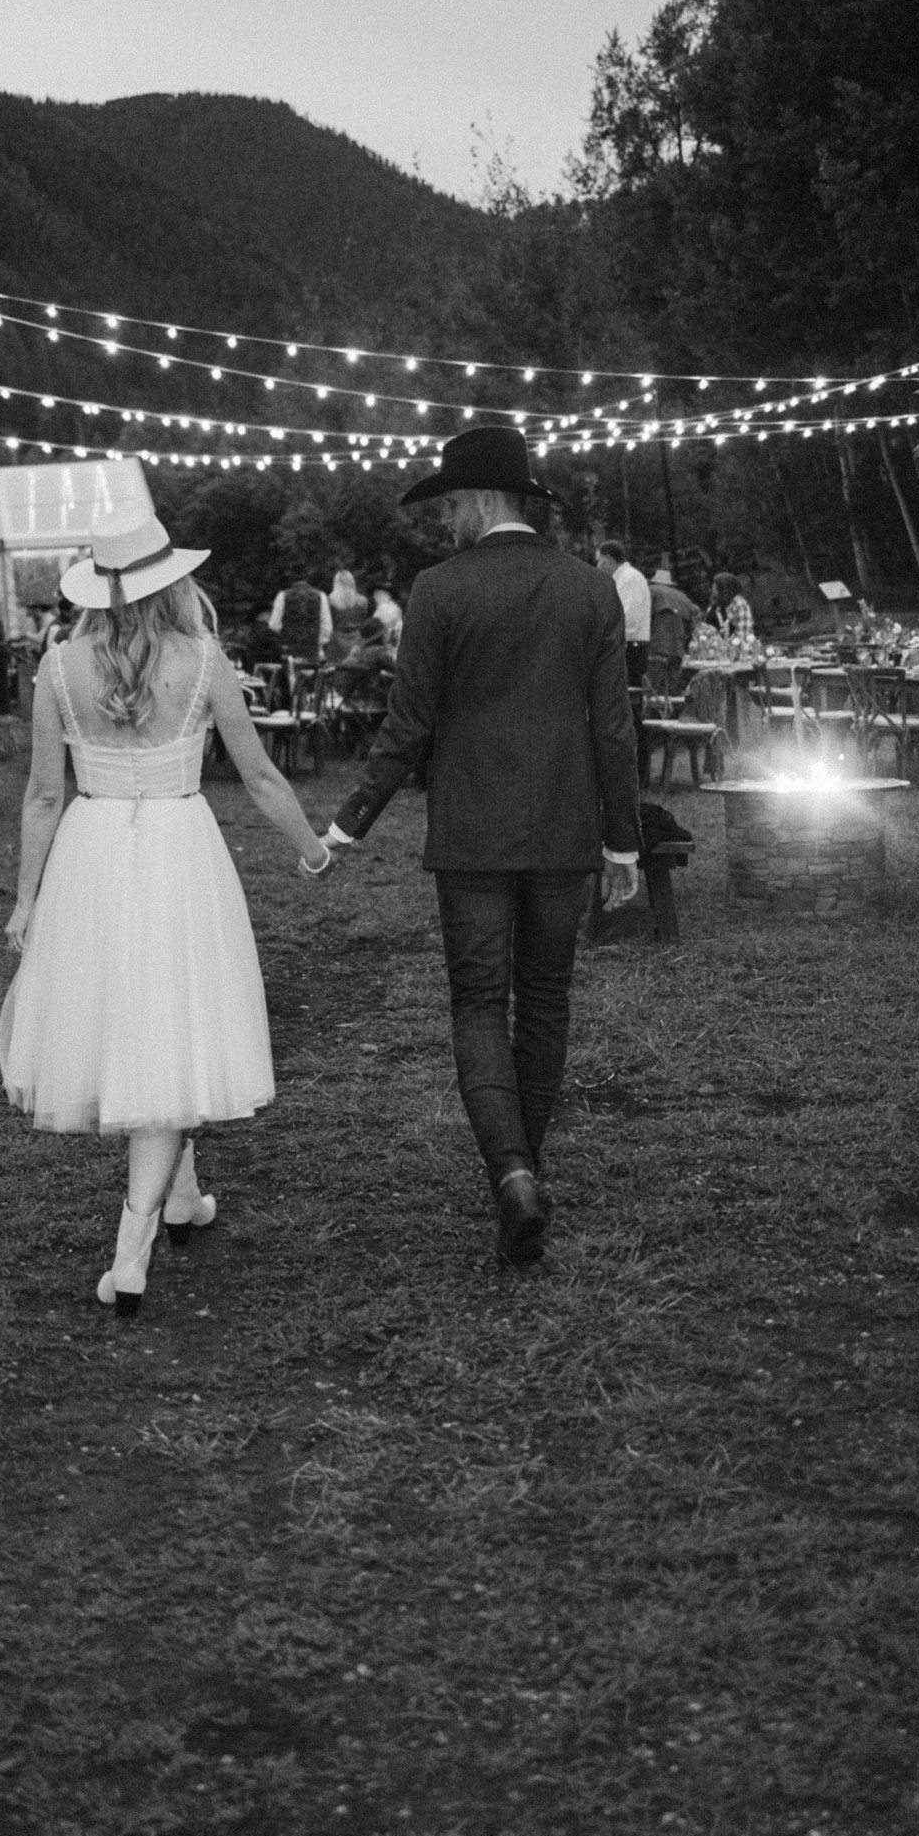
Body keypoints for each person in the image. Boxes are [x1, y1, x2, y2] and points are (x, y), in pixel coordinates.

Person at [0, 482, 333, 1316]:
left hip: (93, 853)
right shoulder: (205, 662)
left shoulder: (57, 666)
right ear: (171, 580)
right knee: (171, 1019)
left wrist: (27, 900)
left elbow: (44, 796)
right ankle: (132, 1252)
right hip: (181, 853)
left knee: (141, 1023)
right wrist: (311, 848)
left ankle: (183, 1198)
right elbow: (257, 773)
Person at [320, 425, 642, 1270]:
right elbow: (613, 728)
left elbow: (409, 723)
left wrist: (351, 819)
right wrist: (623, 846)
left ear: (485, 500)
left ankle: (512, 1173)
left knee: (476, 1002)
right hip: (564, 832)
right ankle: (523, 1169)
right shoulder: (588, 590)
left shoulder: (438, 591)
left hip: (470, 836)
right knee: (544, 1001)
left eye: (451, 504)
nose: (445, 521)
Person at [595, 538, 652, 687]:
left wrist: (605, 637)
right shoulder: (622, 579)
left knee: (629, 698)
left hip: (631, 649)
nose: (598, 566)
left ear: (607, 560)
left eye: (599, 561)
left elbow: (629, 618)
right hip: (626, 646)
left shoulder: (629, 579)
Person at [268, 570, 332, 663]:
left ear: (291, 579)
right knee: (312, 675)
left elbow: (274, 626)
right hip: (312, 650)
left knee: (291, 676)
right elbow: (327, 627)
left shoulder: (282, 596)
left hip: (289, 649)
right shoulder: (321, 596)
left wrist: (284, 636)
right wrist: (319, 644)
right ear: (308, 578)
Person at [706, 571, 756, 650]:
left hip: (738, 650)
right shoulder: (715, 605)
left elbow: (743, 634)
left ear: (724, 588)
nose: (712, 588)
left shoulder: (739, 604)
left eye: (715, 586)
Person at [327, 569, 370, 658]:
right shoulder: (362, 601)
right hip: (356, 638)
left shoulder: (330, 601)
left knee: (337, 668)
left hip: (337, 639)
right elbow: (364, 620)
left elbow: (329, 622)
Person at [369, 580, 403, 651]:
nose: (375, 596)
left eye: (379, 593)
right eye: (375, 593)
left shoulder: (385, 608)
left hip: (388, 646)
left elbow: (385, 631)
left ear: (388, 595)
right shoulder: (393, 606)